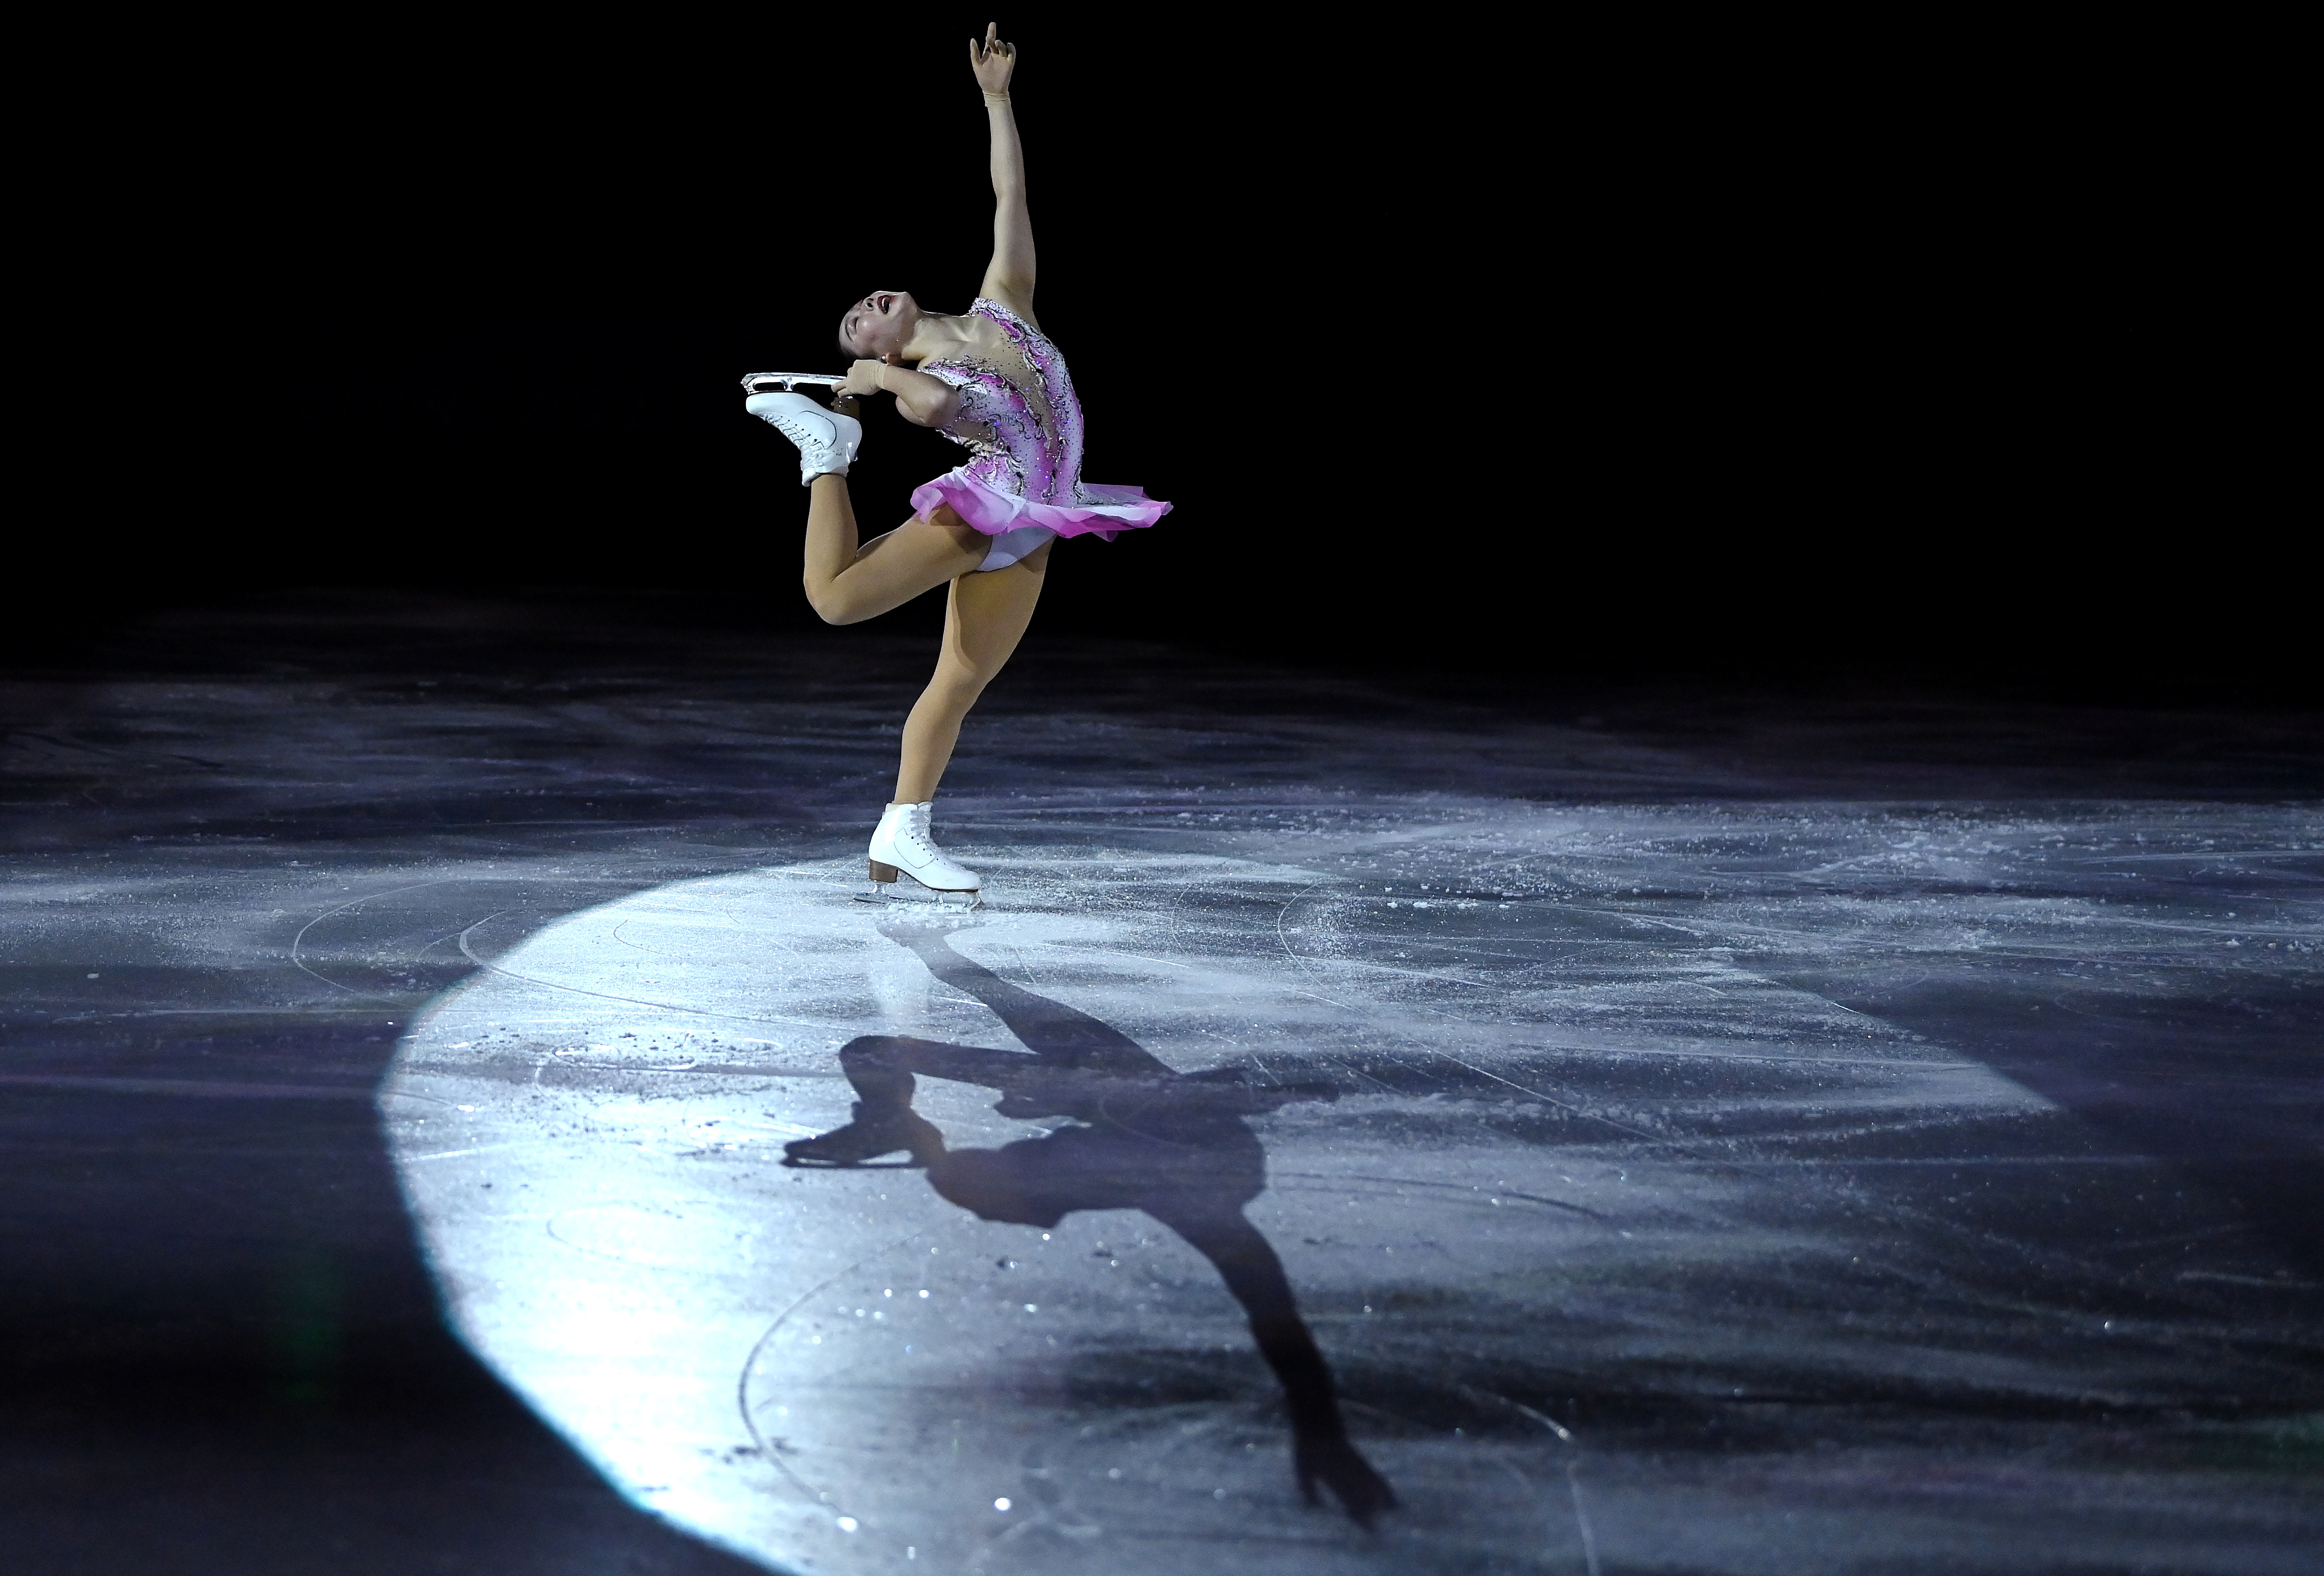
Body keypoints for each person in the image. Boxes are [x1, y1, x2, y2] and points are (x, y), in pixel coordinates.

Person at [746, 24, 1169, 906]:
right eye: (856, 323)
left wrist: (997, 99)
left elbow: (1009, 195)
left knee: (960, 682)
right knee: (833, 600)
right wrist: (873, 378)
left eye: (866, 303)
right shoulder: (920, 379)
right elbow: (937, 410)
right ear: (878, 352)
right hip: (985, 510)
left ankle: (904, 832)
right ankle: (827, 454)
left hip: (1041, 522)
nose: (867, 307)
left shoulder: (1002, 301)